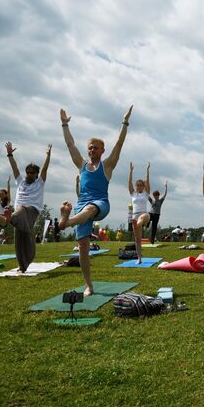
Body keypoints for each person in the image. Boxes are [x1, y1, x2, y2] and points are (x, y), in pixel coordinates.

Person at [58, 106, 131, 296]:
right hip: (81, 205)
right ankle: (89, 285)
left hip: (100, 204)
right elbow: (70, 145)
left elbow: (119, 144)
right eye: (89, 147)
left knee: (90, 209)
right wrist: (65, 124)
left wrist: (124, 122)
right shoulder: (81, 165)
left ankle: (66, 221)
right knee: (83, 247)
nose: (91, 150)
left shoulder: (107, 165)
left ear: (102, 150)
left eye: (95, 148)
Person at [3, 141, 51, 273]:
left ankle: (9, 219)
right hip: (19, 214)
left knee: (22, 210)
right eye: (28, 172)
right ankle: (22, 266)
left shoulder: (40, 183)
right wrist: (10, 154)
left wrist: (48, 155)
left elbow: (45, 169)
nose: (29, 174)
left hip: (31, 211)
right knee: (20, 238)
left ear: (36, 174)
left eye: (32, 173)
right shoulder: (20, 182)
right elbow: (15, 168)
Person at [128, 162, 151, 264]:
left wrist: (147, 170)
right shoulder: (133, 194)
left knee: (142, 218)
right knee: (137, 239)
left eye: (141, 185)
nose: (139, 187)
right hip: (135, 215)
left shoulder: (146, 194)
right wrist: (131, 171)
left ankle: (136, 224)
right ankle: (139, 258)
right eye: (137, 185)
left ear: (143, 186)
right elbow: (129, 183)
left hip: (144, 215)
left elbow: (148, 182)